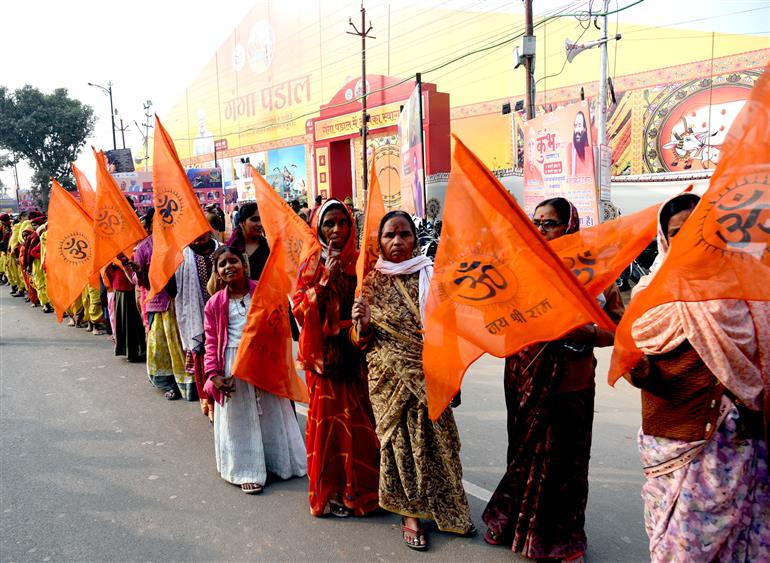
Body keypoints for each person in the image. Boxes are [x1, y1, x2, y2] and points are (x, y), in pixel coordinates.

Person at [624, 193, 769, 563]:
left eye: (699, 229)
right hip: (676, 436)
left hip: (737, 438)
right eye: (678, 231)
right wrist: (637, 369)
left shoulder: (747, 287)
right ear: (665, 238)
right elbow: (638, 364)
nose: (689, 239)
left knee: (740, 540)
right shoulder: (649, 293)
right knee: (681, 547)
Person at [482, 197, 624, 562]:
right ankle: (512, 521)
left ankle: (564, 539)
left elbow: (617, 327)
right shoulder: (520, 267)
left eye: (551, 223)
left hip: (572, 383)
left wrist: (588, 334)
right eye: (537, 223)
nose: (542, 230)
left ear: (570, 226)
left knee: (565, 466)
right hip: (523, 375)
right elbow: (497, 318)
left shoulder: (594, 270)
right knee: (523, 455)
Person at [352, 210, 474, 550]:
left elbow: (449, 332)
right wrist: (361, 324)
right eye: (390, 235)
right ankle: (410, 515)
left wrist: (454, 378)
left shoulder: (432, 276)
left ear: (414, 238)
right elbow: (360, 342)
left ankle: (446, 507)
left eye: (404, 234)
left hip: (429, 375)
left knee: (439, 445)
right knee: (401, 448)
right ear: (380, 240)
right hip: (388, 381)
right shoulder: (370, 281)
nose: (397, 242)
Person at [293, 199, 380, 518]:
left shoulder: (360, 263)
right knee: (328, 428)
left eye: (342, 223)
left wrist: (365, 322)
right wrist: (325, 279)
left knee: (360, 427)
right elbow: (300, 311)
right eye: (329, 223)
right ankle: (329, 491)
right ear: (318, 227)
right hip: (324, 359)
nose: (336, 230)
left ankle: (360, 491)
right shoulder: (311, 264)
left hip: (355, 352)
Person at [203, 246, 307, 494]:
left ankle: (280, 464)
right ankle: (247, 470)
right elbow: (210, 341)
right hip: (232, 364)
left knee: (272, 413)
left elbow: (280, 325)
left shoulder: (264, 292)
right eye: (223, 264)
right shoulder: (215, 304)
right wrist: (213, 375)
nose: (229, 267)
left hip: (264, 360)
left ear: (244, 264)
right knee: (241, 418)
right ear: (217, 273)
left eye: (233, 261)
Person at [125, 209, 194, 401]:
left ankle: (192, 384)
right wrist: (138, 271)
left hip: (186, 302)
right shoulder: (144, 248)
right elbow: (138, 281)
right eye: (158, 221)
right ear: (150, 225)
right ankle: (170, 384)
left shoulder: (183, 243)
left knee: (185, 345)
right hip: (160, 304)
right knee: (163, 349)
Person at [176, 226, 219, 421]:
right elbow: (171, 288)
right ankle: (208, 401)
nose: (198, 236)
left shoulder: (222, 251)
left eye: (201, 231)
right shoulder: (181, 256)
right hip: (197, 317)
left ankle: (221, 401)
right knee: (202, 359)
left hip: (223, 315)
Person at [225, 202, 269, 281]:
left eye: (262, 219)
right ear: (242, 222)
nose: (260, 224)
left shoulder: (269, 248)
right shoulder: (230, 249)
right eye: (255, 219)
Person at [566, 111, 594, 178]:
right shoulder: (570, 148)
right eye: (575, 126)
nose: (577, 130)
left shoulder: (589, 151)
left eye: (579, 125)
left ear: (585, 129)